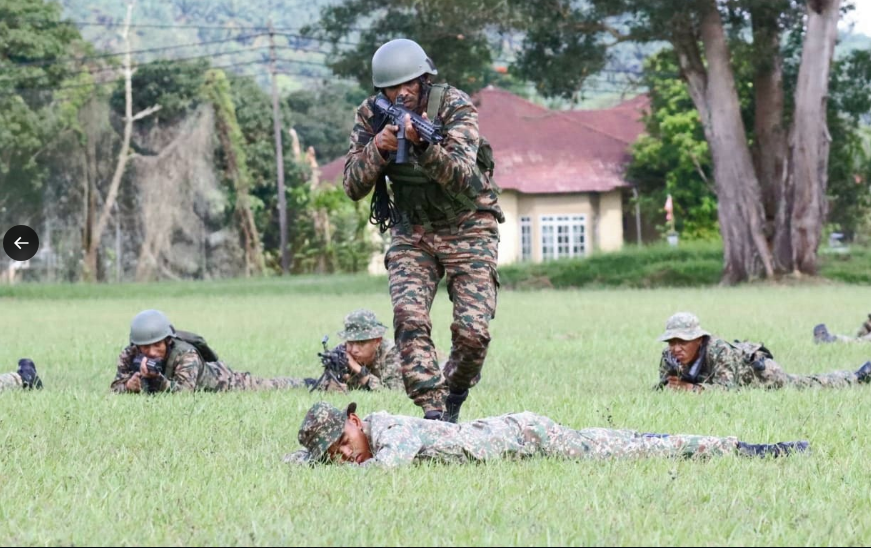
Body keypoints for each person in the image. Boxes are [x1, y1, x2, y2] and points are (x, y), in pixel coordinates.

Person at [342, 37, 504, 423]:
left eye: (409, 85)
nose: (401, 94)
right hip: (413, 231)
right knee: (410, 319)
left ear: (424, 80)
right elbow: (352, 185)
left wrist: (424, 147)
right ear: (381, 90)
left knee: (472, 333)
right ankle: (432, 409)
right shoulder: (370, 115)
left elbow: (465, 178)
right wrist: (378, 149)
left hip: (469, 225)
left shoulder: (454, 105)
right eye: (392, 88)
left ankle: (456, 391)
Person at [288, 401, 810, 468]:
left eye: (340, 442)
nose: (342, 453)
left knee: (627, 450)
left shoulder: (389, 430)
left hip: (525, 437)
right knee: (620, 437)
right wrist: (302, 460)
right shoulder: (367, 436)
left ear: (354, 422)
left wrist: (322, 474)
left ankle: (740, 449)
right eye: (332, 453)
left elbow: (388, 470)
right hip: (517, 439)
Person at [656, 312, 871, 392]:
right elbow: (664, 387)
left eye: (682, 341)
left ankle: (855, 377)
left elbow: (727, 389)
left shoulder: (717, 349)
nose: (676, 347)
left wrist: (691, 389)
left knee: (802, 384)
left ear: (698, 338)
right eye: (671, 341)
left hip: (759, 373)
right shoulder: (670, 357)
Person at [111, 309, 304, 393]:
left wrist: (157, 381)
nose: (151, 352)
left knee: (269, 385)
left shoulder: (186, 355)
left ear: (168, 341)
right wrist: (129, 386)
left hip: (224, 381)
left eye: (157, 345)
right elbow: (115, 388)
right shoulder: (130, 355)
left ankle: (310, 384)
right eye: (145, 347)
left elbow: (184, 394)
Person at [302, 309, 403, 392]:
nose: (354, 350)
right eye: (350, 342)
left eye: (361, 343)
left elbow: (394, 392)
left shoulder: (393, 353)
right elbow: (322, 384)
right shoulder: (341, 353)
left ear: (377, 340)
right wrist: (332, 385)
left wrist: (359, 371)